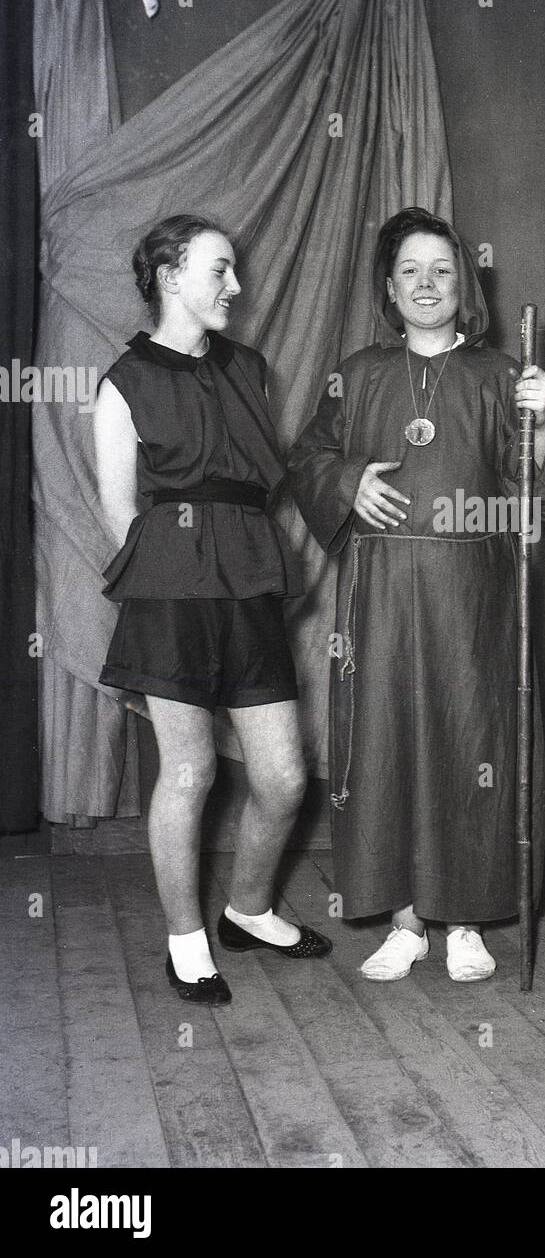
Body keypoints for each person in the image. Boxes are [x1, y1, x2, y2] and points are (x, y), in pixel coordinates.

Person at [286, 207, 545, 983]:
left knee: (472, 741)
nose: (426, 284)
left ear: (465, 284)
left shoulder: (497, 376)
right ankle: (407, 920)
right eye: (410, 270)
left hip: (472, 592)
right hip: (378, 593)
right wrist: (349, 485)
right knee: (384, 740)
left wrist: (542, 422)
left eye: (442, 271)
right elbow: (307, 454)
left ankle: (467, 921)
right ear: (388, 285)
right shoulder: (360, 369)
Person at [94, 214, 331, 1006]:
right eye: (220, 271)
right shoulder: (123, 382)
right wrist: (176, 570)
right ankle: (186, 940)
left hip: (250, 579)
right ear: (169, 276)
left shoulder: (250, 367)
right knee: (190, 769)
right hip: (170, 588)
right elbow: (120, 513)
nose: (236, 287)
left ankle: (249, 910)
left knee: (285, 776)